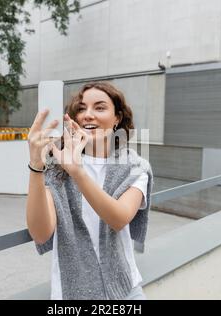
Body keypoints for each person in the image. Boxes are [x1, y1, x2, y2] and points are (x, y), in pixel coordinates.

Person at [26, 82, 153, 300]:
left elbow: (119, 218)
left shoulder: (134, 165)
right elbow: (40, 233)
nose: (88, 115)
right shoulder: (57, 167)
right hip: (72, 295)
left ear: (117, 118)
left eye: (100, 107)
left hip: (126, 292)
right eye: (81, 109)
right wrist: (36, 165)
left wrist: (77, 172)